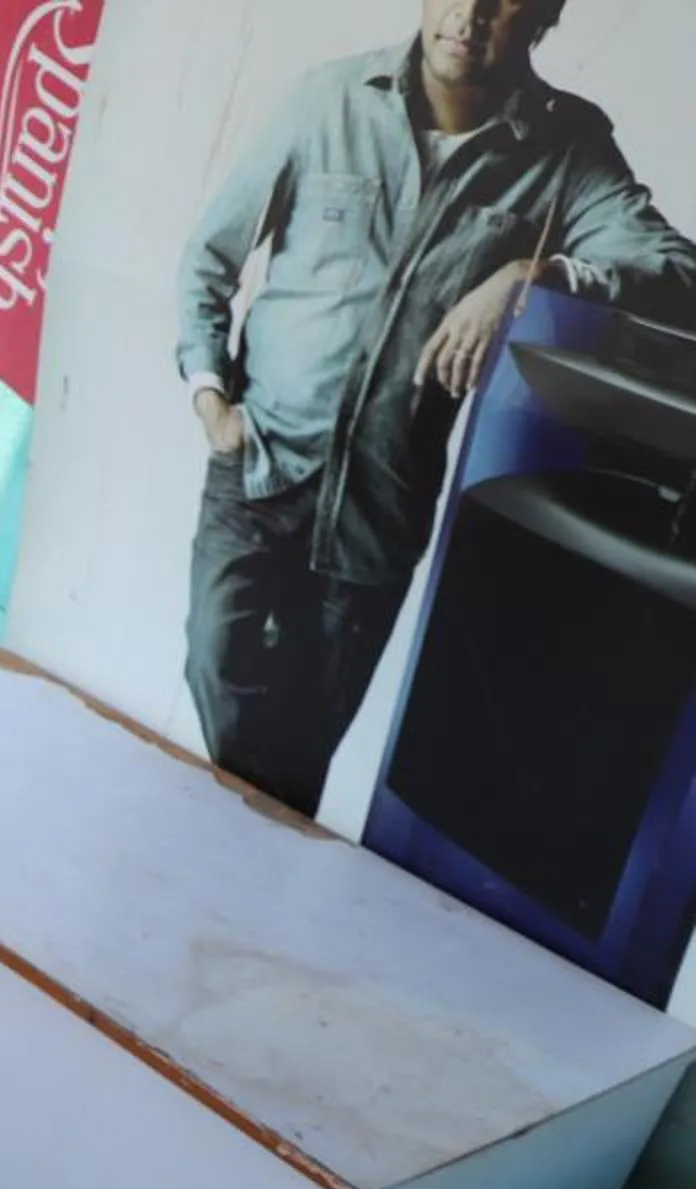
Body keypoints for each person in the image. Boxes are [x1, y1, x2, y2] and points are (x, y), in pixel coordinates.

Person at [177, 0, 696, 817]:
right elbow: (209, 259)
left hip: (380, 502)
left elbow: (675, 271)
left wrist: (538, 274)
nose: (470, 14)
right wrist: (212, 400)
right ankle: (239, 853)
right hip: (260, 467)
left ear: (544, 14)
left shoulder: (566, 150)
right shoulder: (328, 101)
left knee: (308, 743)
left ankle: (230, 886)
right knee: (216, 666)